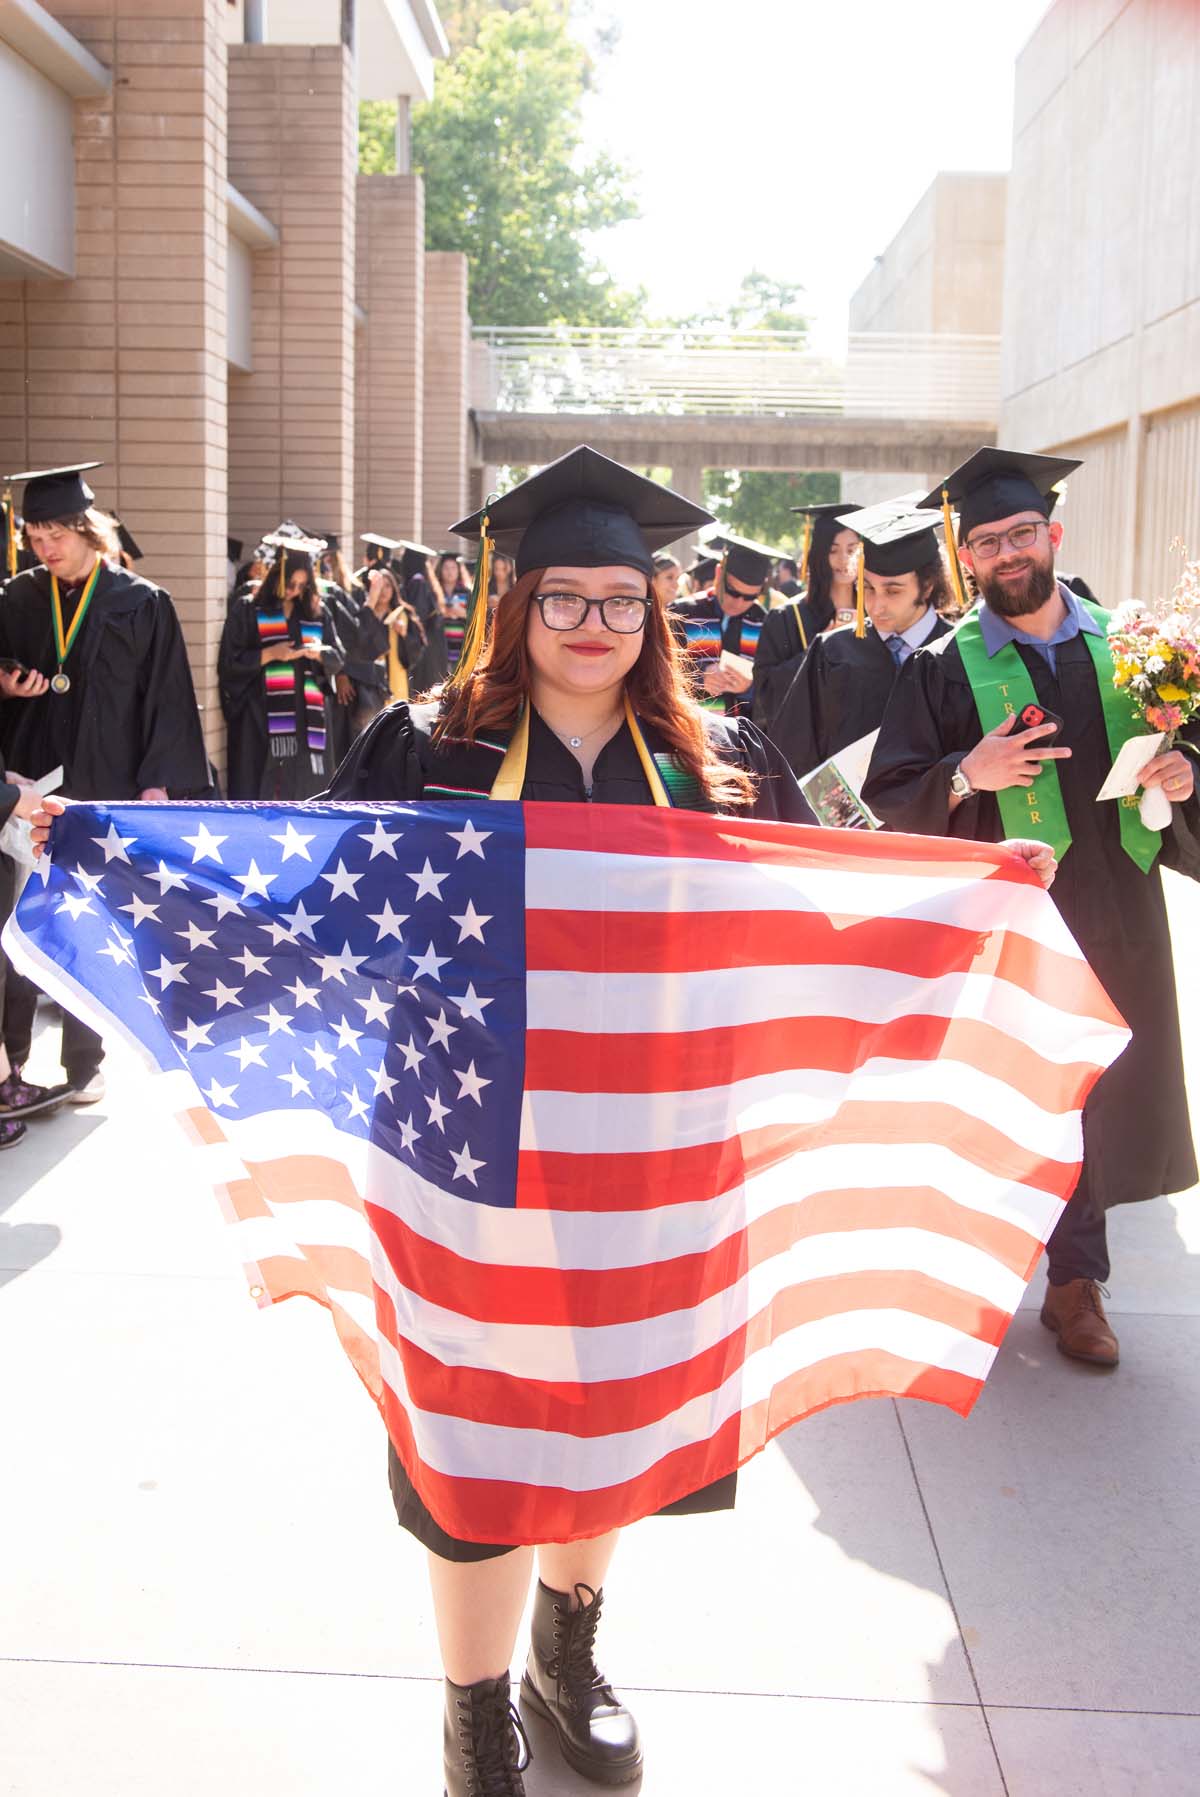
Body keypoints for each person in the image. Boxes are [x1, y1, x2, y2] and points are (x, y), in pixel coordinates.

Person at [322, 445, 822, 1797]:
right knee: (477, 1416)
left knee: (616, 1402)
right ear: (515, 604)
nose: (594, 624)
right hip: (465, 1143)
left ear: (652, 612)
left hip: (654, 1147)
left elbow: (818, 915)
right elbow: (322, 904)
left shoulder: (714, 758)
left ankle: (568, 1652)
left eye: (620, 597)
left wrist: (973, 862)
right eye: (565, 598)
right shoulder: (428, 744)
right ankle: (473, 1706)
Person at [863, 447, 1200, 1368]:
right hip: (1008, 914)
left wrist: (1183, 772)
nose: (1007, 552)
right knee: (1010, 1095)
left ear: (1052, 536)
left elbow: (1187, 771)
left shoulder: (1133, 653)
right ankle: (1013, 1263)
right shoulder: (941, 668)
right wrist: (967, 774)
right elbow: (888, 794)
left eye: (1021, 534)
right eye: (986, 542)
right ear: (964, 558)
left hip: (1118, 909)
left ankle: (1074, 1282)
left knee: (1092, 1092)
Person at [0, 461, 209, 1102]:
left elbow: (167, 700)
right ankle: (11, 1064)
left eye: (54, 534)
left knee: (88, 926)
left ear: (86, 529)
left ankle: (83, 1067)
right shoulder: (15, 598)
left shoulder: (140, 602)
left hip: (103, 783)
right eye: (34, 536)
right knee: (17, 923)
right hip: (28, 783)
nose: (44, 548)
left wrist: (156, 783)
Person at [770, 503, 953, 776]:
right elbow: (793, 751)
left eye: (893, 591)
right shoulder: (833, 651)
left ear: (927, 585)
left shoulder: (959, 652)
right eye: (867, 588)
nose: (876, 606)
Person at [217, 528, 346, 801]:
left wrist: (319, 653)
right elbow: (229, 662)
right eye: (290, 584)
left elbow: (338, 657)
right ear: (277, 575)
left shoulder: (315, 612)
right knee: (265, 788)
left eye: (301, 586)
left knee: (305, 789)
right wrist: (270, 654)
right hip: (262, 716)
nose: (294, 591)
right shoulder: (249, 608)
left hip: (308, 718)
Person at [752, 502, 862, 733]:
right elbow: (766, 689)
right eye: (833, 550)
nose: (844, 560)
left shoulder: (876, 613)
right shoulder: (787, 617)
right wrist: (820, 649)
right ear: (820, 554)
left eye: (852, 550)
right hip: (807, 745)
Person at [669, 532, 783, 717]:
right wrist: (699, 676)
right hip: (688, 727)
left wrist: (749, 687)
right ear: (718, 574)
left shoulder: (764, 622)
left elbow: (773, 688)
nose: (738, 603)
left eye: (749, 597)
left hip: (740, 735)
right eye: (732, 591)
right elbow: (658, 669)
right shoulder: (681, 613)